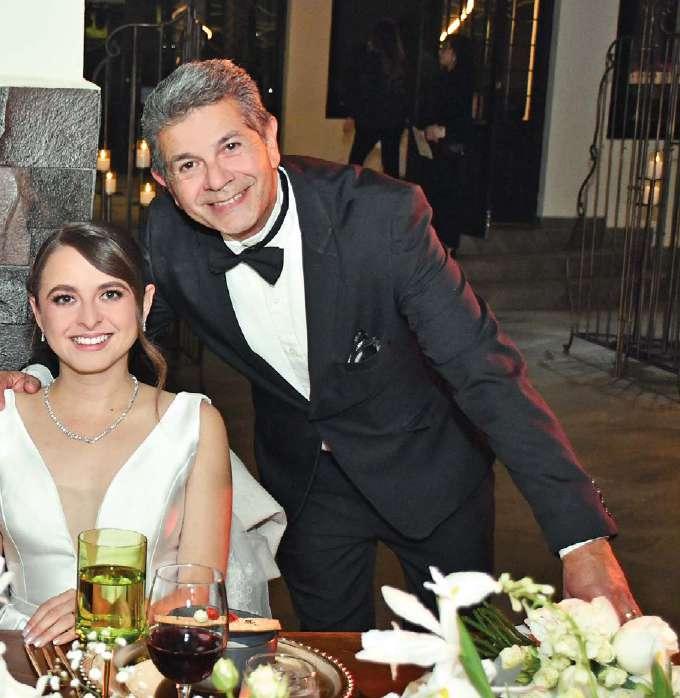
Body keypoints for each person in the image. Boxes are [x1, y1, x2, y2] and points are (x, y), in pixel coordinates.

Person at [2, 59, 640, 631]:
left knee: (464, 653)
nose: (217, 180)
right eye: (188, 165)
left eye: (231, 146)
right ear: (166, 181)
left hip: (427, 471)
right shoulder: (169, 237)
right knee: (328, 657)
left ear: (270, 136)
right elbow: (115, 326)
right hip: (307, 484)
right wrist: (36, 375)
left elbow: (486, 370)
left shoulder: (383, 219)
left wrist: (581, 540)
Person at [0, 222, 283, 646]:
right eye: (65, 298)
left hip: (149, 659)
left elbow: (202, 594)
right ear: (38, 313)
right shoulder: (6, 421)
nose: (89, 318)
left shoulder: (195, 425)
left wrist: (107, 609)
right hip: (21, 659)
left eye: (110, 294)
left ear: (145, 304)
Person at [418, 33, 476, 253]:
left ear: (455, 54)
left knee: (448, 198)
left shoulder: (462, 82)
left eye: (446, 48)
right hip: (441, 147)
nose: (441, 52)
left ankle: (447, 246)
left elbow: (464, 120)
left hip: (452, 148)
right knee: (439, 196)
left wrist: (443, 131)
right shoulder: (445, 78)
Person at [345, 18, 409, 179]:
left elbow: (362, 91)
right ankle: (392, 193)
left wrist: (353, 114)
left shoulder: (370, 60)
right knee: (391, 165)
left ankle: (348, 190)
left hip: (370, 119)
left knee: (355, 161)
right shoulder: (400, 64)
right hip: (393, 121)